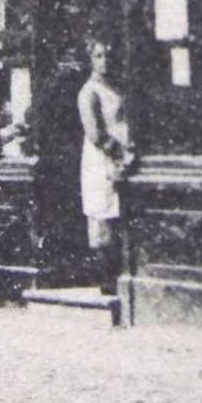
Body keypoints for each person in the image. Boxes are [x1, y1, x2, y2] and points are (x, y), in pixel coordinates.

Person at [77, 38, 133, 296]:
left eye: (108, 55)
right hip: (102, 160)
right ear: (91, 59)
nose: (105, 60)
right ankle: (106, 279)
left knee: (120, 213)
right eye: (99, 56)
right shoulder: (89, 92)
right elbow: (95, 133)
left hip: (123, 157)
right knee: (103, 215)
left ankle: (122, 274)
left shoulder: (116, 87)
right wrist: (118, 151)